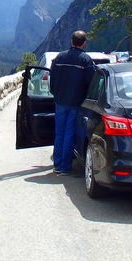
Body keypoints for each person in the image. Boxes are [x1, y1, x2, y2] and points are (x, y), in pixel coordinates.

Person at [49, 30, 95, 175]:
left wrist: (56, 93)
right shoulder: (85, 60)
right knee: (70, 133)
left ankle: (57, 164)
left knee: (59, 133)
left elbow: (52, 79)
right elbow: (92, 82)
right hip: (76, 102)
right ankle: (64, 166)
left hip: (60, 101)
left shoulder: (59, 57)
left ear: (71, 41)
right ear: (84, 43)